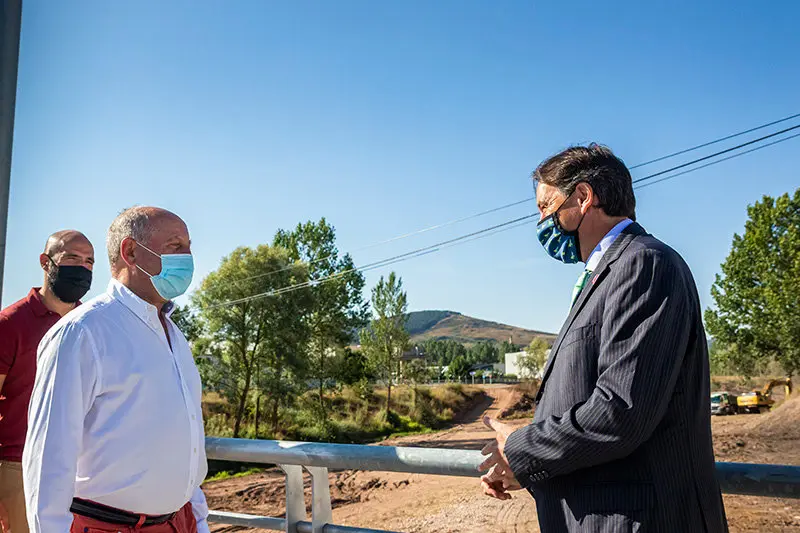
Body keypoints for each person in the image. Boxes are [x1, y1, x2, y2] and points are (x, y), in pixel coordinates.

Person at [479, 145, 728, 532]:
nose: (542, 220)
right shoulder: (608, 274)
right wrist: (525, 468)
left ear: (582, 197)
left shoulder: (644, 264)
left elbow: (620, 411)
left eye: (546, 206)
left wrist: (522, 449)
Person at [23, 207, 209, 533]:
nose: (188, 256)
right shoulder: (82, 332)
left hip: (178, 523)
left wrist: (199, 520)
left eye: (189, 246)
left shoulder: (175, 336)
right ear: (131, 251)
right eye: (176, 245)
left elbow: (188, 441)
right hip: (106, 526)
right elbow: (48, 461)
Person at [0, 230, 94, 533]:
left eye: (90, 262)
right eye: (72, 258)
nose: (82, 268)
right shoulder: (10, 324)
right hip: (19, 468)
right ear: (46, 262)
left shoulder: (92, 325)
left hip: (82, 472)